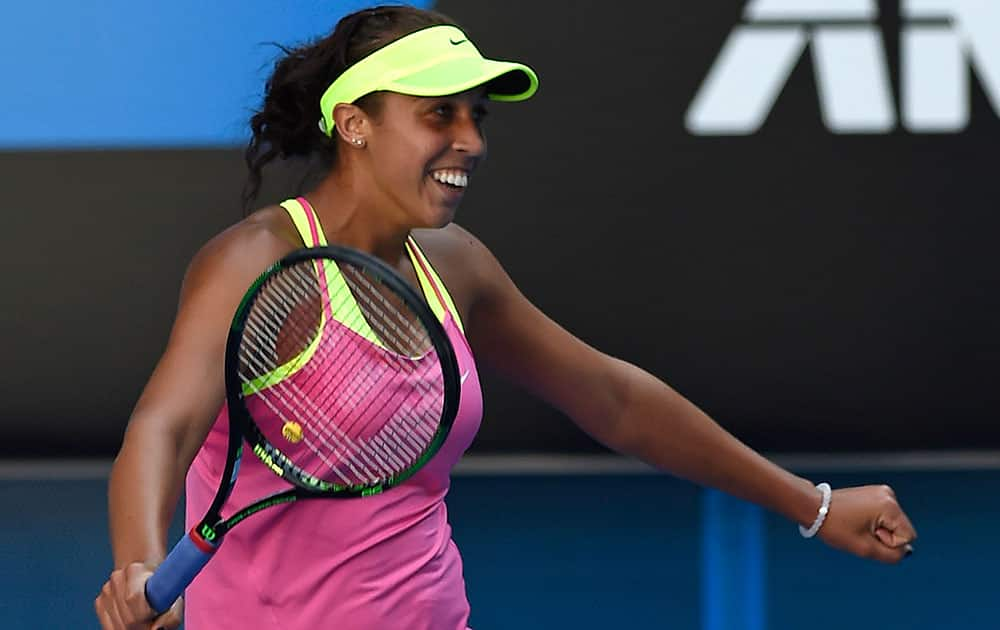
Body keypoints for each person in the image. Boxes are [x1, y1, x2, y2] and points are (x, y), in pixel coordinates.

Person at [94, 5, 916, 629]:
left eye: (476, 115)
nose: (471, 141)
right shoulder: (259, 260)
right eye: (439, 115)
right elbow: (161, 427)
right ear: (354, 124)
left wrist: (810, 504)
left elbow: (614, 399)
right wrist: (138, 564)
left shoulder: (454, 266)